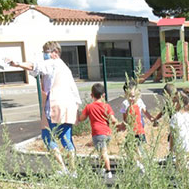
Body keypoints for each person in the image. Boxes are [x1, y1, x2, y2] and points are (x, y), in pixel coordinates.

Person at [6, 41, 81, 174]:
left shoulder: (52, 63)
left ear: (55, 53)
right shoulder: (65, 68)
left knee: (47, 136)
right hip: (68, 106)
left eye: (46, 52)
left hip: (53, 105)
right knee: (66, 138)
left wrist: (17, 63)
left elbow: (34, 66)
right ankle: (73, 170)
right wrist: (76, 107)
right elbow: (74, 90)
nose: (44, 55)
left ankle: (62, 168)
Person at [78, 83, 117, 179]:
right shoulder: (106, 106)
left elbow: (82, 118)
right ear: (103, 95)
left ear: (92, 95)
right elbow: (113, 119)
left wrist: (77, 116)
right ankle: (103, 169)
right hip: (107, 132)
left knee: (103, 152)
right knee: (102, 152)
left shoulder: (89, 107)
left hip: (98, 133)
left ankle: (108, 171)